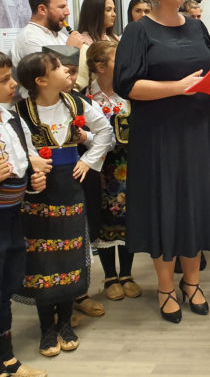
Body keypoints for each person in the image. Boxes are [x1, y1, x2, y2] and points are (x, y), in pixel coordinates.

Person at [113, 0, 210, 323]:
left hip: (198, 132)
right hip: (159, 137)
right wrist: (177, 87)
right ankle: (165, 287)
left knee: (195, 206)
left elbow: (209, 75)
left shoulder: (196, 28)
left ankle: (192, 282)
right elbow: (127, 85)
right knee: (165, 207)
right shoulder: (139, 31)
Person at [15, 51, 113, 357]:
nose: (66, 71)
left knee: (70, 255)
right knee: (42, 260)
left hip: (71, 190)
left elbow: (105, 131)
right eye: (57, 67)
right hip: (39, 196)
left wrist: (88, 160)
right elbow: (15, 149)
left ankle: (66, 322)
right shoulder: (21, 111)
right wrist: (31, 163)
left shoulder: (76, 104)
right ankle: (47, 327)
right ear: (41, 81)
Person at [0, 51, 48, 377]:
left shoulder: (11, 120)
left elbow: (22, 163)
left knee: (7, 287)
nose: (13, 84)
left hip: (12, 217)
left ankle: (5, 356)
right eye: (4, 80)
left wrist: (33, 181)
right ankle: (6, 361)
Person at [85, 41, 142, 301]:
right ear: (100, 67)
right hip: (99, 169)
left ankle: (127, 273)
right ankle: (110, 275)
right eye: (117, 59)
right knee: (103, 218)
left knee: (129, 216)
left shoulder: (129, 92)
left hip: (129, 165)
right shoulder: (85, 97)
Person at [10, 0, 71, 97]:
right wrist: (72, 49)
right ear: (42, 9)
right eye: (61, 7)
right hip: (38, 104)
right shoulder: (29, 39)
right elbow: (52, 78)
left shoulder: (60, 35)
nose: (68, 12)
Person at [66, 0, 120, 90]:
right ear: (95, 13)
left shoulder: (115, 38)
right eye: (108, 10)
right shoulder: (82, 42)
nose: (114, 14)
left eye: (114, 10)